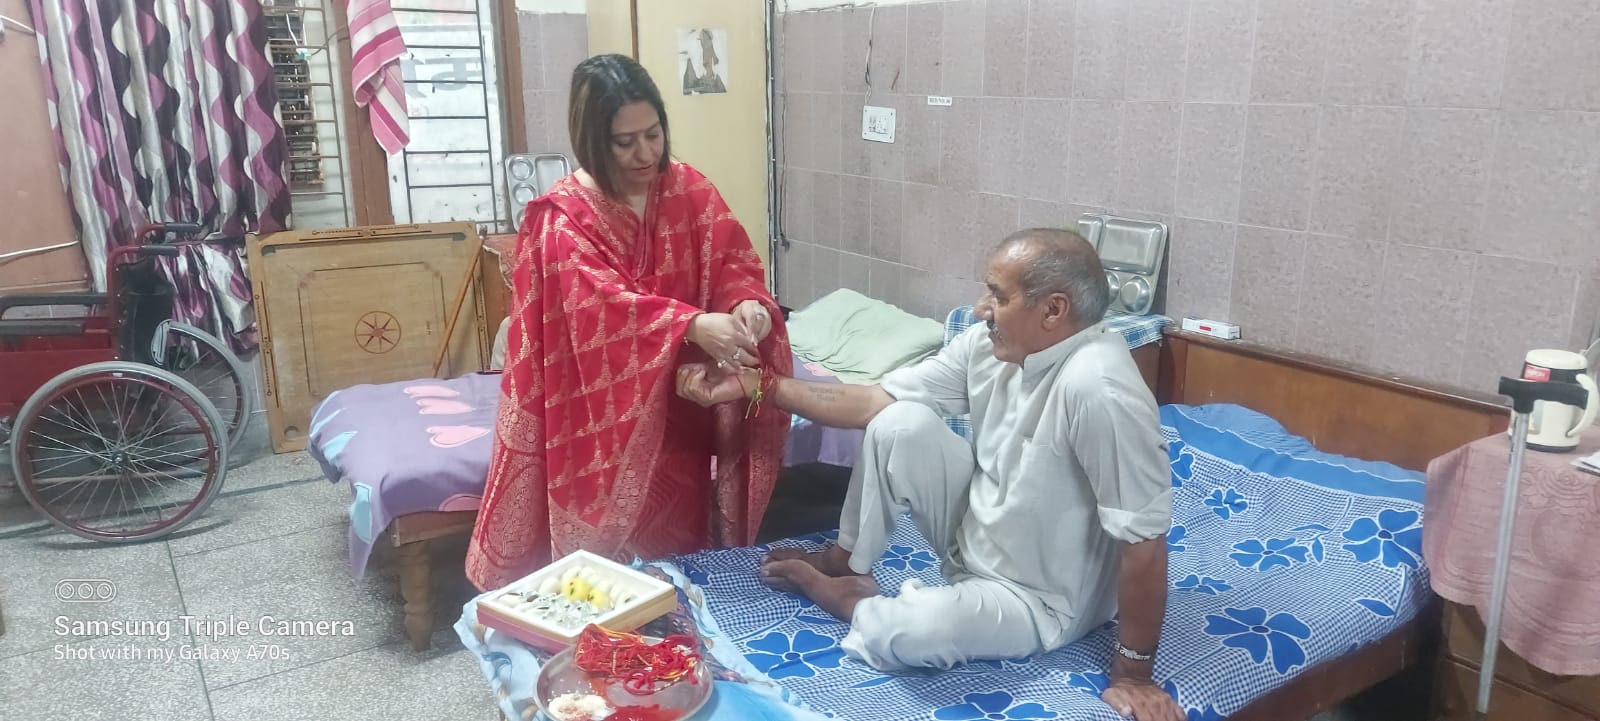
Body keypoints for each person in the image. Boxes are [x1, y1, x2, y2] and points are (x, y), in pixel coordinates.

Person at [677, 229, 1184, 721]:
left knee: (911, 632)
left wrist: (1134, 674)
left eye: (998, 295)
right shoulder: (990, 346)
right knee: (898, 422)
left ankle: (849, 600)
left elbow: (1144, 541)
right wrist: (755, 384)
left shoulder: (1099, 387)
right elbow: (874, 401)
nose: (981, 309)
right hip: (977, 537)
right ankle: (845, 561)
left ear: (1053, 310)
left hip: (1040, 598)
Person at [466, 54, 792, 592]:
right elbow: (597, 309)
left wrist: (748, 306)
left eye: (654, 134)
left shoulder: (689, 191)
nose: (646, 154)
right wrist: (691, 326)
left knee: (679, 558)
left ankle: (680, 629)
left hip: (682, 409)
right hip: (597, 421)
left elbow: (732, 263)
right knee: (605, 582)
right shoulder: (562, 219)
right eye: (625, 142)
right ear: (593, 139)